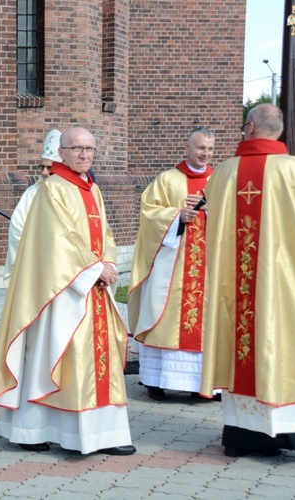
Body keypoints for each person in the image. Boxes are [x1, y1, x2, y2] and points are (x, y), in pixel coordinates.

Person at [0, 127, 135, 456]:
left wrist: (108, 261)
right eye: (77, 148)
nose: (84, 154)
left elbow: (104, 232)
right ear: (62, 153)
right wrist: (96, 269)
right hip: (62, 292)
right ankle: (35, 430)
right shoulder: (52, 189)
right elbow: (59, 241)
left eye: (89, 149)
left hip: (92, 287)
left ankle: (103, 434)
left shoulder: (91, 189)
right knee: (58, 357)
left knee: (96, 361)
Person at [200, 103, 295, 461]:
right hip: (282, 286)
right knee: (293, 347)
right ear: (277, 131)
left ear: (249, 127)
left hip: (237, 288)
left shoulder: (225, 173)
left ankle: (246, 438)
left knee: (243, 348)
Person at [128, 127, 215, 400]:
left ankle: (204, 384)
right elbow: (149, 213)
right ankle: (157, 379)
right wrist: (179, 216)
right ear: (187, 148)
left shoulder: (220, 181)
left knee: (208, 321)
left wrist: (208, 209)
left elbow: (235, 217)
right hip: (171, 266)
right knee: (164, 316)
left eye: (210, 149)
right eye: (201, 148)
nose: (205, 154)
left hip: (208, 268)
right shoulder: (168, 180)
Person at [3, 129, 59, 286]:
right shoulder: (33, 192)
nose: (44, 172)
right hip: (36, 260)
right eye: (42, 167)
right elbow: (17, 226)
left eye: (49, 168)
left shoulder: (70, 191)